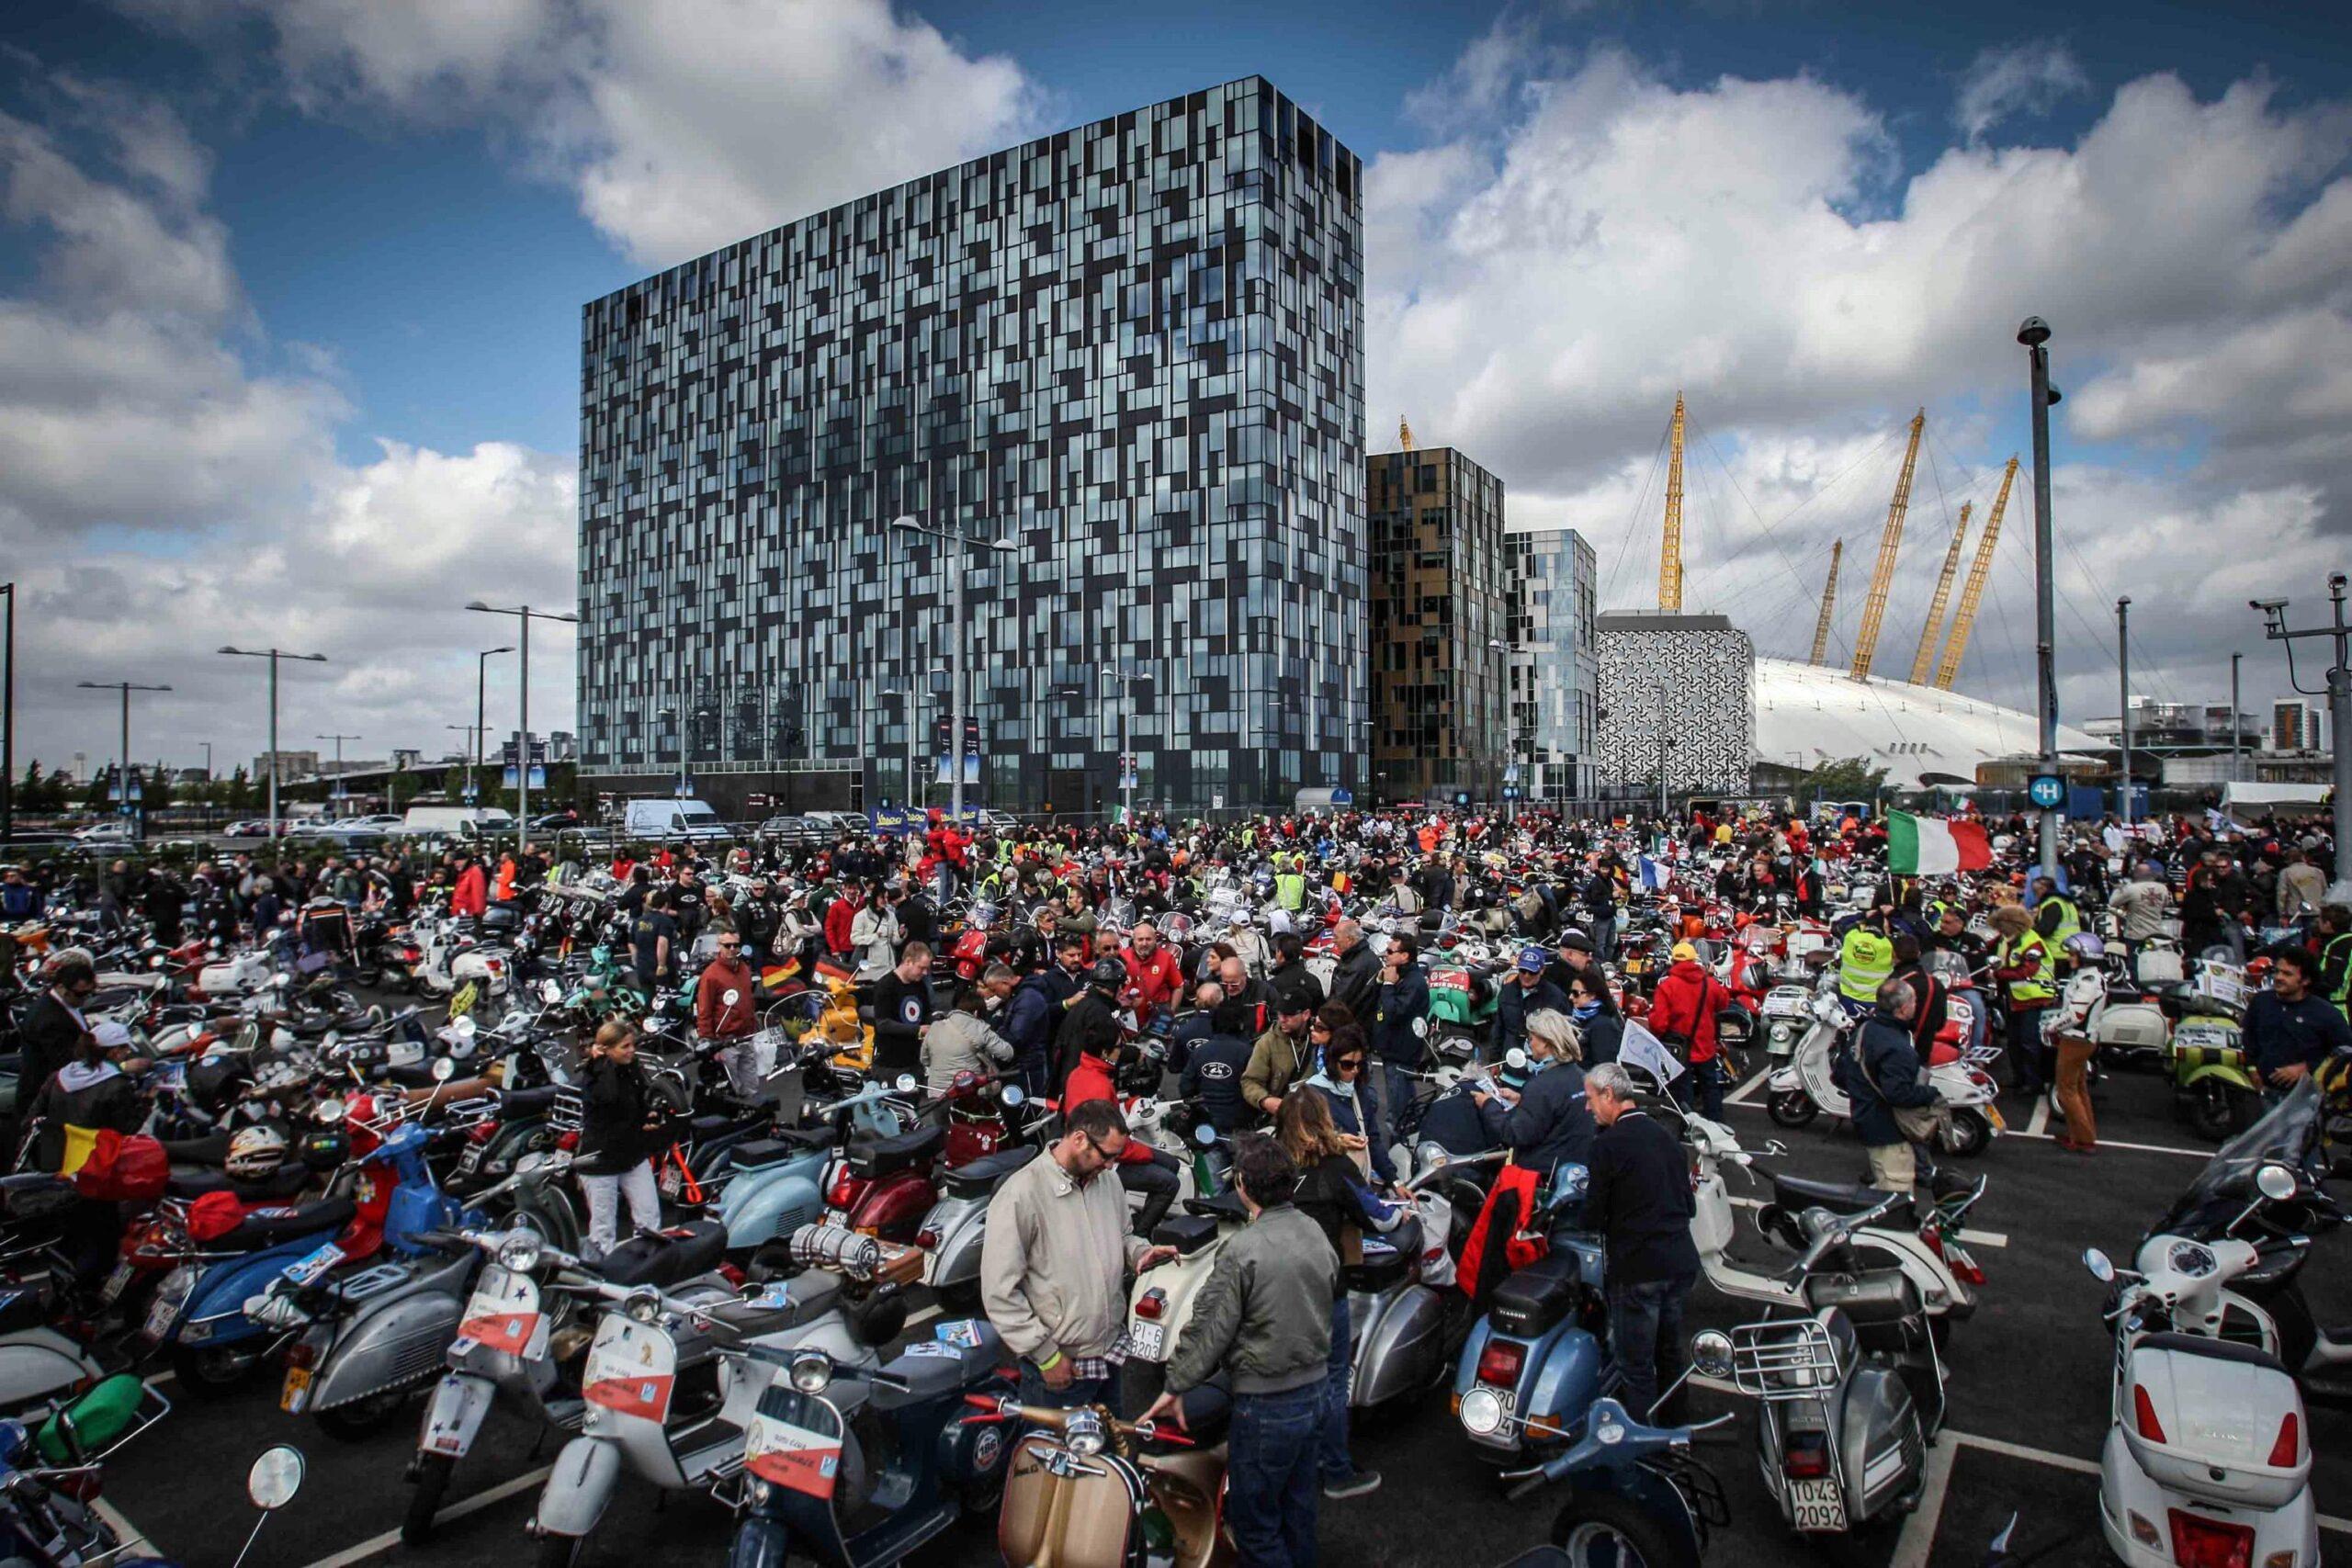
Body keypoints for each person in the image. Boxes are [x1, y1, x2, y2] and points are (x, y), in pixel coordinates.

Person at [1145, 1133, 1336, 1568]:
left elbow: (1209, 1327)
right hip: (1315, 1391)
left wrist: (1176, 1382)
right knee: (1298, 1511)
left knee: (1255, 1525)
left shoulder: (1242, 1250)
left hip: (1267, 1402)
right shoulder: (1314, 1231)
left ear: (1244, 1187)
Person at [980, 1100, 1176, 1411]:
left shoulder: (1107, 1180)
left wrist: (1140, 1252)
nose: (1111, 1166)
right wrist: (1046, 1355)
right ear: (1080, 1139)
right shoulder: (1021, 1195)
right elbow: (999, 1292)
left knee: (1108, 1453)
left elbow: (1123, 1234)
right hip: (1059, 1369)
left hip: (1109, 1354)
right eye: (1107, 1156)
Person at [1275, 1095, 1391, 1502]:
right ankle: (1336, 1469)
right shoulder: (1335, 1169)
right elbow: (1377, 1216)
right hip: (1324, 1290)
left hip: (1274, 1291)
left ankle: (1290, 1466)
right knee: (1331, 1379)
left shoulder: (1272, 1169)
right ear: (1323, 1121)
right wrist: (1403, 1212)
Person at [1581, 1063, 1700, 1426]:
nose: (1588, 1108)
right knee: (1670, 1353)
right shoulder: (1666, 1137)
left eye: (1590, 1099)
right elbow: (1689, 1204)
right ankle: (1677, 1432)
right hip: (1679, 1261)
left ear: (1608, 1095)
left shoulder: (1608, 1146)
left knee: (1636, 1366)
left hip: (1637, 1268)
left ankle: (1641, 1449)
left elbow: (1593, 1216)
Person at [1470, 1008, 1595, 1186]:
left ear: (1546, 1042)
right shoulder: (1582, 1077)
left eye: (1531, 1038)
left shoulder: (1541, 1086)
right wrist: (1522, 1101)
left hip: (1543, 1178)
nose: (1529, 1044)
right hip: (1575, 1173)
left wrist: (1489, 1104)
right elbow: (1557, 1112)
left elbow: (1517, 1134)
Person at [1841, 978, 1944, 1190]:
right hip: (1889, 1131)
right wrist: (1931, 1094)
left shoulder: (1864, 1030)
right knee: (1894, 1194)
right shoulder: (1898, 1047)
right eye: (1914, 1001)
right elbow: (1898, 1094)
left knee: (1882, 1179)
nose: (1917, 1005)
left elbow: (1842, 1071)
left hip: (1865, 1119)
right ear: (1903, 1008)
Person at [577, 1021, 664, 1256]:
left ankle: (647, 1263)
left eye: (632, 1045)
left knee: (649, 1217)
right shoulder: (595, 1075)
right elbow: (608, 1096)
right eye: (625, 1047)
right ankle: (602, 1275)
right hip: (600, 1160)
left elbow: (642, 1096)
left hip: (632, 1154)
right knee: (603, 1228)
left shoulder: (632, 1068)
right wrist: (602, 1064)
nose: (631, 1051)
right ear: (607, 1049)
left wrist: (651, 1114)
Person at [2242, 946, 2352, 1101]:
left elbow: (2344, 1054)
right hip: (2258, 1094)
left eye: (2287, 974)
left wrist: (2307, 1068)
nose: (2278, 977)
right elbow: (2248, 1040)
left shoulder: (2326, 1014)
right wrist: (2252, 1070)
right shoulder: (2261, 1002)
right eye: (2277, 971)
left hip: (2305, 1101)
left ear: (2305, 980)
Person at [1644, 941, 1730, 1118]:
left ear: (1673, 961)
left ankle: (1687, 1124)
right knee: (1710, 1085)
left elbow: (1659, 1022)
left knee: (1683, 1089)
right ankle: (1715, 1122)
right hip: (1705, 1045)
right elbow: (1723, 1003)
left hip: (1679, 1048)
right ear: (1694, 960)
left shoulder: (1667, 986)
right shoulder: (1709, 983)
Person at [1299, 1016, 1390, 1182]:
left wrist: (1394, 1180)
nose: (1355, 1071)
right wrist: (1336, 1141)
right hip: (1319, 1182)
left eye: (1359, 1064)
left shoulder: (1359, 1093)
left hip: (1353, 1180)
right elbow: (1300, 1142)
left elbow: (1373, 1139)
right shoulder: (1309, 1094)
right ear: (1333, 1062)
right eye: (1347, 1065)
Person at [16, 950, 99, 1129]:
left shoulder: (65, 1005)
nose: (84, 999)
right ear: (61, 987)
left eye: (89, 993)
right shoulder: (50, 1020)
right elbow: (65, 1062)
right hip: (46, 1103)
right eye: (80, 994)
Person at [1005, 932, 1087, 1098]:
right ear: (1058, 954)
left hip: (1086, 1042)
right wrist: (1067, 1003)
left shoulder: (1089, 976)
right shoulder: (1048, 980)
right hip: (1057, 1044)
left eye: (1079, 954)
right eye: (1071, 955)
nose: (1076, 959)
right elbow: (1043, 1011)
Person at [1988, 904, 2055, 1099]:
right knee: (2014, 1041)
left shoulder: (2033, 943)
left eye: (2001, 925)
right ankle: (2019, 1078)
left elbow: (2027, 971)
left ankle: (2033, 1082)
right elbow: (1991, 949)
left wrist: (1998, 974)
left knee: (2029, 1042)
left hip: (2033, 999)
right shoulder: (2006, 939)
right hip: (2014, 998)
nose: (1999, 929)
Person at [921, 964, 1019, 1094]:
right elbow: (1007, 1053)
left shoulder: (935, 1027)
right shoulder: (980, 1028)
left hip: (936, 1094)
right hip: (966, 1092)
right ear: (977, 1013)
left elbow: (924, 1059)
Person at [1180, 998, 1260, 1133]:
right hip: (1240, 1124)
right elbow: (1257, 1088)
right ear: (1241, 1025)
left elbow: (1185, 1087)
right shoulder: (1248, 1052)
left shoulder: (1199, 1052)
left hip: (1205, 1123)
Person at [695, 930, 759, 1098]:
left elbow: (748, 1000)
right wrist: (709, 1045)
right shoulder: (710, 975)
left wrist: (753, 1028)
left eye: (736, 945)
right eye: (727, 945)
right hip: (725, 1041)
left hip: (746, 1037)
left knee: (751, 1087)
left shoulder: (744, 969)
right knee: (731, 1090)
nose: (732, 949)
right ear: (719, 947)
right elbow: (704, 1011)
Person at [1055, 957, 1126, 1096]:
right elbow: (1106, 1050)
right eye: (1121, 985)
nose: (1122, 991)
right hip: (1086, 1085)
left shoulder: (1083, 1004)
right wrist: (1136, 1054)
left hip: (1068, 1078)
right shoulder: (1100, 1013)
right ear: (1113, 986)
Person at [1241, 996, 1318, 1122]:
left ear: (1306, 1015)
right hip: (1283, 1119)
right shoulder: (1267, 1042)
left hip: (1315, 1117)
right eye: (1280, 1013)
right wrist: (1265, 1100)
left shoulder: (1321, 1038)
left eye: (1289, 1015)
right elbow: (1249, 1082)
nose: (1282, 1019)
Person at [1492, 945, 1568, 1063]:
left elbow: (1565, 1034)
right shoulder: (1507, 991)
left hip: (1542, 1065)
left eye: (1532, 972)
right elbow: (1498, 1028)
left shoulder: (1555, 996)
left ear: (1542, 970)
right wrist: (1494, 1061)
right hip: (1510, 1061)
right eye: (1523, 970)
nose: (1526, 976)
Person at [870, 941, 932, 1083]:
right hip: (890, 1064)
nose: (925, 973)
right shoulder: (885, 985)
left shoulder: (920, 985)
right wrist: (917, 1030)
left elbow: (927, 1012)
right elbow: (883, 1024)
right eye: (921, 968)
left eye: (927, 969)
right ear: (908, 961)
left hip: (914, 1061)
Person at [1324, 919, 1380, 1025]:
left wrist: (1324, 1017)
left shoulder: (1359, 965)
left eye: (1336, 937)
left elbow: (1342, 1000)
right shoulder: (1355, 957)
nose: (1333, 941)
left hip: (1352, 1025)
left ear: (1349, 940)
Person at [1566, 969, 1623, 1066]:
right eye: (1571, 992)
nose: (1571, 997)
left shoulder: (1603, 1026)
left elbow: (1603, 1067)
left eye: (1575, 993)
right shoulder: (1579, 1020)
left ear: (1592, 995)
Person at [629, 888, 679, 995]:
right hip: (659, 969)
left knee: (648, 1001)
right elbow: (662, 942)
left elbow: (631, 943)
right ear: (666, 904)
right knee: (665, 1000)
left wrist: (636, 959)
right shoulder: (665, 921)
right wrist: (661, 965)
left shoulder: (638, 921)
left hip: (643, 968)